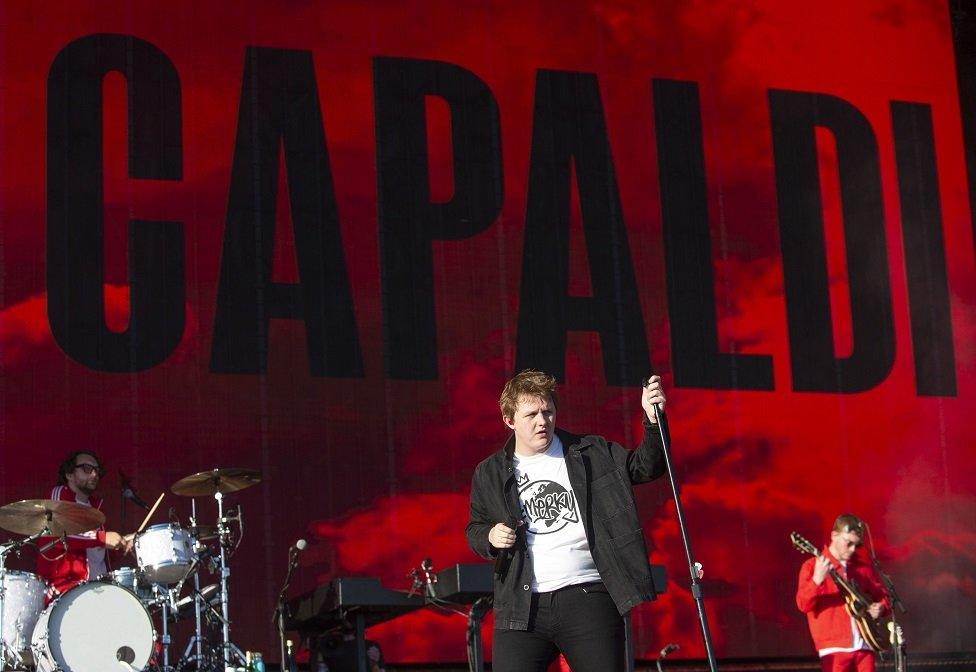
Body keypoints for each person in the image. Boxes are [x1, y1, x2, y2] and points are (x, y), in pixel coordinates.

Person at [465, 369, 667, 672]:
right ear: (509, 421)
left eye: (548, 411)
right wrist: (491, 536)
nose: (542, 421)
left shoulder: (590, 452)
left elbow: (644, 467)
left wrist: (653, 421)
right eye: (531, 414)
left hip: (587, 596)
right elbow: (474, 529)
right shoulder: (490, 472)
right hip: (522, 606)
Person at [795, 514, 889, 672]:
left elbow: (883, 597)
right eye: (848, 543)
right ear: (834, 536)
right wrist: (817, 579)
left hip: (865, 644)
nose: (853, 549)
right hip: (834, 647)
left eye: (856, 545)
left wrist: (880, 607)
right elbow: (803, 605)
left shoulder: (861, 568)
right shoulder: (812, 566)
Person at [36, 450, 131, 598]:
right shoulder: (59, 496)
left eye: (97, 470)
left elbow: (95, 554)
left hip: (99, 590)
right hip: (66, 593)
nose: (94, 474)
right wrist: (102, 538)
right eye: (87, 469)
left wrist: (121, 544)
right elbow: (58, 533)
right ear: (69, 474)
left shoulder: (96, 508)